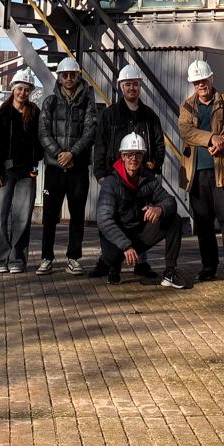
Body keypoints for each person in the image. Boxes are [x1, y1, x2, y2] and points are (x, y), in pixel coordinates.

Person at [92, 63, 166, 278]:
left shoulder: (149, 116)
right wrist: (100, 174)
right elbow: (100, 144)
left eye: (135, 84)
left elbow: (159, 145)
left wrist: (152, 168)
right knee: (112, 217)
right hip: (115, 178)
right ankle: (109, 261)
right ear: (121, 87)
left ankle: (141, 263)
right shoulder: (109, 115)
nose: (132, 88)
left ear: (139, 86)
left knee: (142, 218)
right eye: (127, 84)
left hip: (141, 178)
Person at [177, 59, 224, 285]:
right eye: (197, 82)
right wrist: (210, 138)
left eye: (204, 80)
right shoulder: (187, 106)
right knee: (203, 223)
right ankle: (209, 267)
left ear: (211, 78)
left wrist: (223, 140)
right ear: (193, 84)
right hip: (196, 174)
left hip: (223, 172)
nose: (201, 84)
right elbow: (186, 131)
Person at [96, 131, 187, 288]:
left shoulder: (148, 179)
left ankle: (170, 273)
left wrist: (159, 208)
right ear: (122, 156)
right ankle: (113, 268)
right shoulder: (111, 183)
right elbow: (104, 220)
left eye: (138, 154)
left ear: (143, 156)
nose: (134, 159)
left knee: (174, 219)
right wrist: (126, 245)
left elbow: (170, 201)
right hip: (118, 239)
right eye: (129, 154)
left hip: (138, 235)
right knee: (111, 256)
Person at [37, 56, 97, 275]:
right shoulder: (49, 103)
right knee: (50, 216)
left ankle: (74, 258)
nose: (69, 78)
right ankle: (46, 257)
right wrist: (59, 154)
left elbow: (90, 131)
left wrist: (72, 153)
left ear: (78, 77)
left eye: (72, 75)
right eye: (65, 75)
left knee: (77, 215)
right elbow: (43, 132)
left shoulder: (87, 102)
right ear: (60, 78)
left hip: (77, 168)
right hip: (55, 168)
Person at [0, 68, 40, 274]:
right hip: (4, 173)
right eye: (19, 89)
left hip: (26, 173)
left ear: (30, 92)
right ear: (13, 89)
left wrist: (36, 160)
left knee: (22, 218)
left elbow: (40, 141)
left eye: (26, 90)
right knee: (0, 217)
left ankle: (17, 259)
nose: (22, 93)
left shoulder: (35, 115)